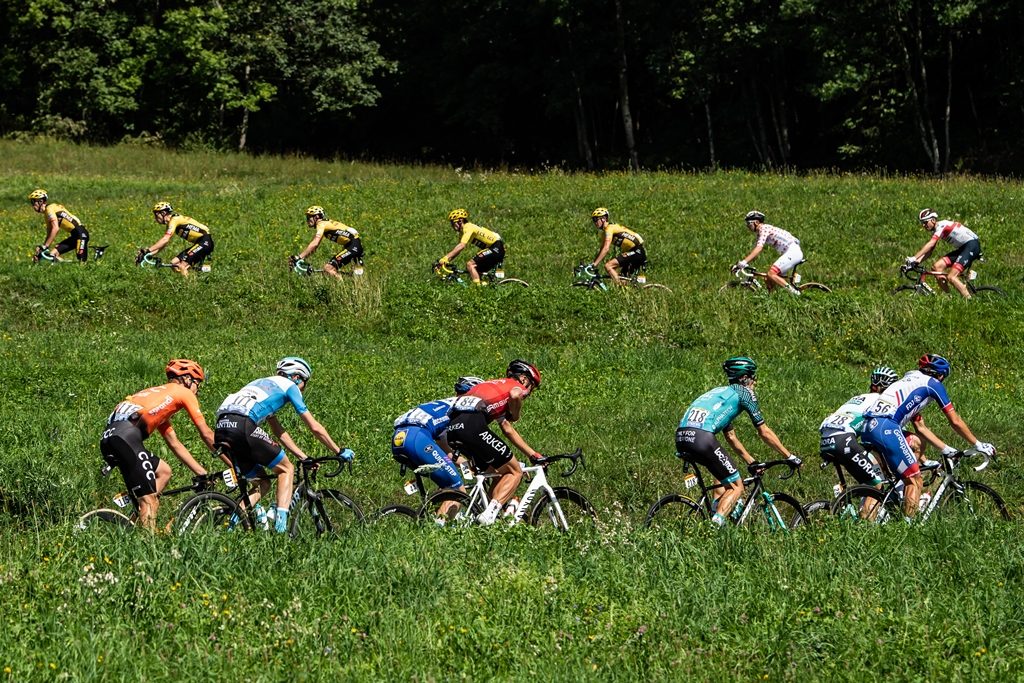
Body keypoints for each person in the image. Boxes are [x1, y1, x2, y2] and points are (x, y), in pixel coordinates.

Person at [214, 357, 352, 533]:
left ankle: (230, 527)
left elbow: (279, 432)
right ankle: (280, 531)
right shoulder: (290, 387)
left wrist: (303, 456)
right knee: (286, 469)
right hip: (243, 424)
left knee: (263, 483)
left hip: (222, 427)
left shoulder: (261, 384)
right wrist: (338, 450)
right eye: (305, 383)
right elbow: (314, 426)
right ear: (296, 377)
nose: (304, 388)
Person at [861, 354, 995, 519]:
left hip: (868, 426)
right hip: (886, 427)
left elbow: (921, 428)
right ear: (940, 375)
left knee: (880, 483)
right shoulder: (932, 384)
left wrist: (946, 449)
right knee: (915, 479)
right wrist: (979, 444)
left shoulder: (907, 381)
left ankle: (866, 524)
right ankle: (907, 529)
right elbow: (955, 421)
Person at [676, 357, 801, 527]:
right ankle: (714, 527)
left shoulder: (721, 394)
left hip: (682, 436)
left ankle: (716, 510)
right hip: (701, 437)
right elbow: (764, 432)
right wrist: (790, 456)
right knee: (737, 486)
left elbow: (731, 437)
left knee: (722, 476)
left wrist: (751, 461)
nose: (755, 381)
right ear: (745, 378)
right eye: (753, 377)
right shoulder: (744, 393)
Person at [99, 359, 218, 531]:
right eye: (197, 383)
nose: (197, 390)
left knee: (164, 471)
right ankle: (149, 549)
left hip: (111, 438)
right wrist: (233, 462)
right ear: (187, 379)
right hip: (126, 439)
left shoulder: (157, 399)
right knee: (150, 501)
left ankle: (135, 524)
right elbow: (206, 434)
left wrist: (201, 472)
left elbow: (174, 444)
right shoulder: (182, 392)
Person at [445, 360, 543, 525]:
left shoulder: (492, 386)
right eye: (532, 386)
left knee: (498, 472)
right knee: (515, 472)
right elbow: (516, 395)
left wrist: (532, 454)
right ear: (525, 379)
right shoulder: (515, 386)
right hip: (472, 426)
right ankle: (489, 516)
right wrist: (516, 413)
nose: (530, 391)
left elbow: (507, 429)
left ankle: (483, 510)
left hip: (453, 430)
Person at [391, 376, 483, 511]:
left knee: (445, 483)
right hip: (418, 436)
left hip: (400, 438)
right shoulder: (461, 409)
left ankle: (430, 519)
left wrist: (465, 464)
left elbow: (445, 450)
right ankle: (438, 529)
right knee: (457, 490)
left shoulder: (442, 405)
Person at [818, 367, 899, 489]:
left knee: (869, 477)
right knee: (877, 486)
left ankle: (844, 497)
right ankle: (867, 503)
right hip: (843, 441)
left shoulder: (858, 398)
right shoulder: (879, 401)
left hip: (826, 441)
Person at [905, 209, 982, 299]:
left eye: (925, 222)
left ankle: (970, 301)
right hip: (964, 248)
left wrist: (914, 258)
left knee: (951, 277)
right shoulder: (937, 229)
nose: (923, 225)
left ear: (933, 220)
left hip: (971, 245)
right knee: (937, 267)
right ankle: (949, 298)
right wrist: (916, 262)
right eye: (922, 223)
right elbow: (930, 251)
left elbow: (931, 244)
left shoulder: (942, 226)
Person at [732, 210, 803, 295]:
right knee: (768, 279)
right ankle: (773, 300)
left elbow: (758, 249)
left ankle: (796, 294)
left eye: (749, 224)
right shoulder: (760, 233)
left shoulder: (764, 228)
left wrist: (744, 262)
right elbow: (754, 251)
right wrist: (741, 264)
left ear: (757, 222)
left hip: (793, 252)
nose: (748, 226)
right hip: (790, 252)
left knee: (771, 274)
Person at [137, 202, 214, 278]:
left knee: (181, 265)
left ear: (163, 213)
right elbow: (163, 245)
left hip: (205, 241)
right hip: (200, 242)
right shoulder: (171, 222)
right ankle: (203, 270)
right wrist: (149, 255)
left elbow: (165, 239)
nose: (155, 218)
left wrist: (147, 250)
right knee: (174, 263)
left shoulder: (175, 220)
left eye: (157, 215)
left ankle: (189, 287)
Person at [290, 206, 365, 278]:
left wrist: (299, 257)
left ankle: (342, 287)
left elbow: (315, 244)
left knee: (328, 268)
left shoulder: (321, 224)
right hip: (353, 245)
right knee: (332, 271)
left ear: (317, 217)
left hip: (353, 245)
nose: (307, 220)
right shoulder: (326, 222)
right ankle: (349, 280)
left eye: (309, 217)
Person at [435, 209, 505, 285]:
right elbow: (458, 250)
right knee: (473, 272)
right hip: (495, 248)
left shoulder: (468, 227)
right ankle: (485, 288)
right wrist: (446, 260)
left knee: (470, 265)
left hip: (495, 247)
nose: (452, 225)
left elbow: (462, 245)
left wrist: (445, 258)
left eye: (453, 223)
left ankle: (477, 289)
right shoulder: (462, 232)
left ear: (460, 221)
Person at [28, 189, 91, 262]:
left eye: (33, 202)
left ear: (41, 201)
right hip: (75, 236)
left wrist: (45, 246)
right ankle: (66, 267)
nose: (32, 205)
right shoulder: (47, 213)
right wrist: (44, 247)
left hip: (81, 234)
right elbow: (49, 232)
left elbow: (55, 228)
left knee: (82, 263)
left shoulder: (50, 209)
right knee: (52, 255)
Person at [587, 207, 647, 284]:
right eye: (593, 220)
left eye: (596, 219)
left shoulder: (610, 228)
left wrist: (595, 264)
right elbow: (602, 250)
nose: (595, 222)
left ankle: (620, 287)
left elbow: (606, 248)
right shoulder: (604, 234)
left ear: (604, 218)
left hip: (636, 251)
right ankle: (625, 291)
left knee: (608, 266)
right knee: (623, 278)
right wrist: (593, 263)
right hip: (633, 252)